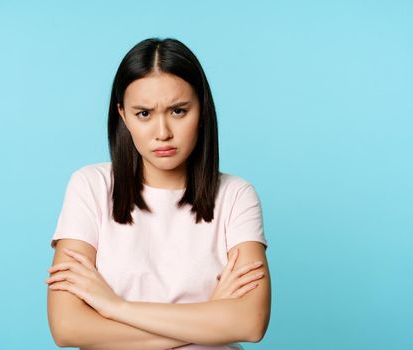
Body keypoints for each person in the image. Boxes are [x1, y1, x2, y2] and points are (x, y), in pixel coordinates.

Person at [46, 37, 271, 350]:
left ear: (202, 112)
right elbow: (67, 327)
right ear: (123, 115)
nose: (162, 132)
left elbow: (249, 322)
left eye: (178, 111)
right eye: (144, 114)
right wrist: (208, 320)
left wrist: (114, 308)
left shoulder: (235, 195)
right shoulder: (90, 187)